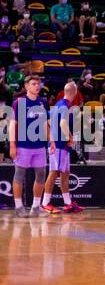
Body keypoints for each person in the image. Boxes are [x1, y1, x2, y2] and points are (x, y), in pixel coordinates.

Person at [9, 74, 48, 217]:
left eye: (38, 83)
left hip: (39, 146)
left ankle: (36, 207)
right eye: (33, 83)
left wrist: (51, 141)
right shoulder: (19, 102)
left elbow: (44, 124)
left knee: (41, 175)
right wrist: (12, 145)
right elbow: (13, 124)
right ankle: (19, 206)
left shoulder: (42, 103)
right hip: (23, 146)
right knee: (19, 175)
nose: (37, 86)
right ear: (26, 87)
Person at [42, 81, 83, 213]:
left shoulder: (58, 105)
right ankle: (45, 203)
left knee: (65, 174)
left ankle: (68, 203)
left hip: (60, 145)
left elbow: (48, 121)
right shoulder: (65, 106)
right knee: (53, 173)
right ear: (74, 93)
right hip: (59, 146)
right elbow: (63, 124)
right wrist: (70, 138)